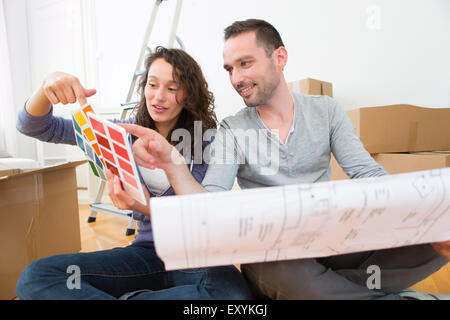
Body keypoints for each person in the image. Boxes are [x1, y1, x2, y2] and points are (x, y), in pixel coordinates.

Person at [119, 20, 450, 300]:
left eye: (245, 64)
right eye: (230, 69)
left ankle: (329, 290)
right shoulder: (232, 129)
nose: (236, 78)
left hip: (334, 241)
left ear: (279, 57)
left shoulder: (326, 110)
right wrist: (174, 164)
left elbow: (366, 172)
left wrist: (421, 216)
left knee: (439, 234)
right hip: (274, 254)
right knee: (283, 271)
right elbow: (211, 203)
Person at [15, 46, 252, 300]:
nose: (158, 96)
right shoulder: (119, 135)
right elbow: (35, 126)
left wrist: (147, 206)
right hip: (146, 255)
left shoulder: (211, 144)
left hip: (200, 259)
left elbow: (207, 220)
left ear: (189, 95)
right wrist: (46, 85)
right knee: (37, 276)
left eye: (172, 88)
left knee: (232, 297)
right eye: (152, 85)